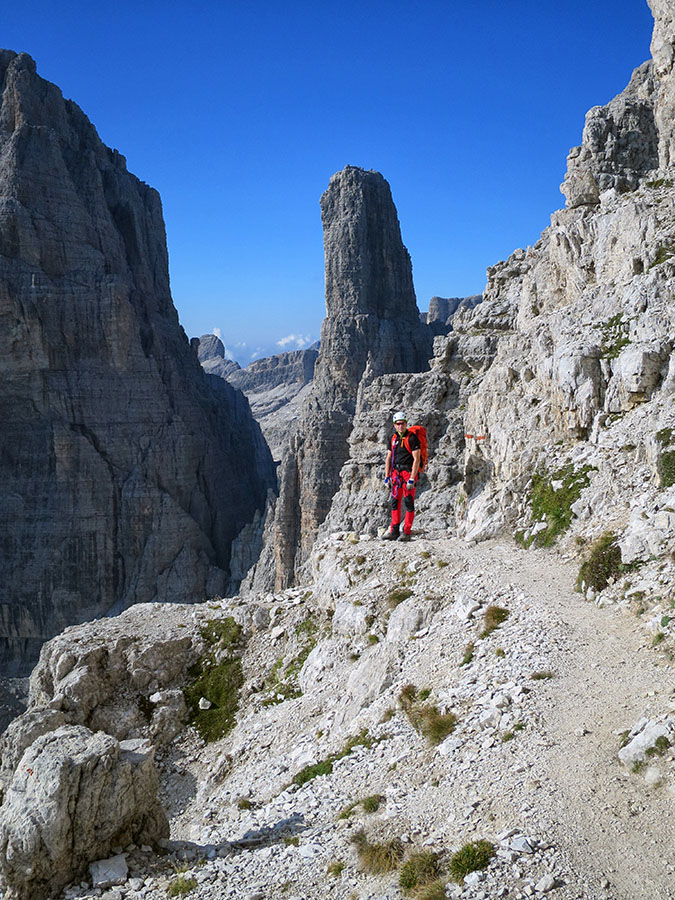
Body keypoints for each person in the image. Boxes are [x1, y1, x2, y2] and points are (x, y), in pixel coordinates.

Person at [382, 412, 421, 541]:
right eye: (398, 424)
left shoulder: (412, 438)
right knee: (395, 502)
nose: (400, 426)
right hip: (395, 474)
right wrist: (387, 476)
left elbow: (417, 459)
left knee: (408, 502)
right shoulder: (392, 438)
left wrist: (412, 478)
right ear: (394, 425)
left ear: (406, 423)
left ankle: (407, 531)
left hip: (408, 474)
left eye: (402, 423)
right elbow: (389, 457)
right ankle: (394, 530)